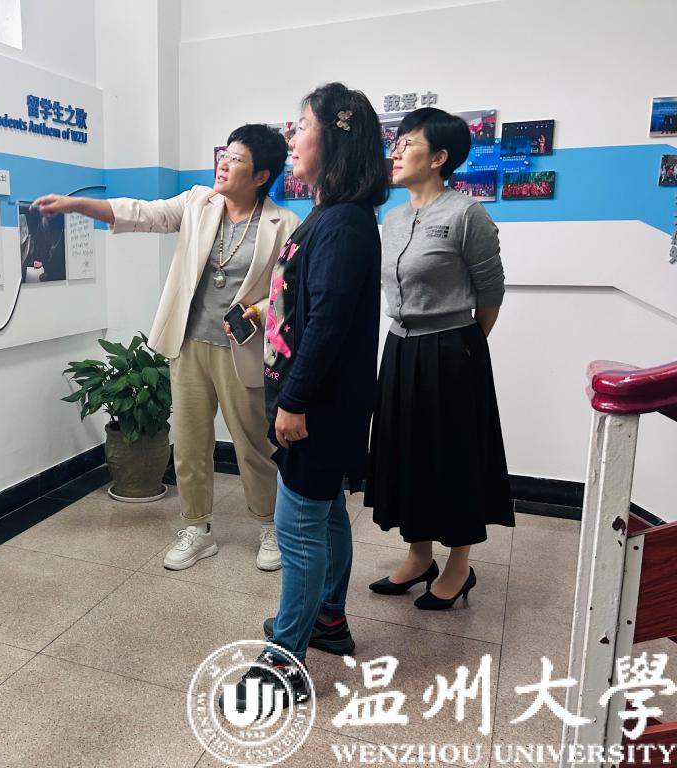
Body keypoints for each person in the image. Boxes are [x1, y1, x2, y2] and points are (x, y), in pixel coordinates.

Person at [33, 125, 299, 571]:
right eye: (224, 154)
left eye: (236, 159)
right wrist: (78, 205)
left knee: (254, 445)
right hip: (189, 344)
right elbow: (144, 213)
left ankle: (269, 526)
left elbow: (288, 291)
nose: (223, 163)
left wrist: (256, 310)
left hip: (242, 350)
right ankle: (197, 528)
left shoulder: (284, 224)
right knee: (191, 443)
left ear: (261, 176)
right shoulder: (198, 202)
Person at [225, 83, 387, 710]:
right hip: (321, 399)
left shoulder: (343, 225)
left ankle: (283, 663)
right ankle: (328, 619)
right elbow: (305, 308)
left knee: (297, 529)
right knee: (325, 514)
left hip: (318, 406)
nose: (290, 137)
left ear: (336, 139)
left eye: (302, 126)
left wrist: (293, 403)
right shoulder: (332, 215)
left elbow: (327, 326)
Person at [365, 107, 514, 611]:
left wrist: (463, 347)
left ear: (439, 157)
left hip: (452, 350)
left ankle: (459, 565)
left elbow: (490, 292)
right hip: (400, 348)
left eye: (408, 144)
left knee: (453, 458)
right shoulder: (392, 218)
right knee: (407, 454)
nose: (396, 152)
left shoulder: (467, 214)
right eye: (397, 143)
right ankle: (418, 556)